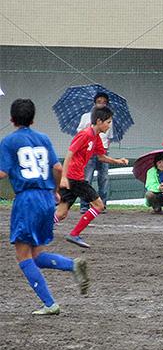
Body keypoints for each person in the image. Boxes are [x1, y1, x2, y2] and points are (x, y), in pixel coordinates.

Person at [0, 99, 89, 315]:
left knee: (23, 255)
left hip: (26, 200)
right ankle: (72, 265)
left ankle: (50, 304)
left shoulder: (9, 142)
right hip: (46, 199)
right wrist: (55, 191)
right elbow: (58, 168)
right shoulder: (43, 138)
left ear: (12, 119)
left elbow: (2, 173)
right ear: (33, 119)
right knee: (37, 253)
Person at [55, 106, 129, 249]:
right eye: (108, 122)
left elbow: (101, 157)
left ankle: (37, 230)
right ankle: (74, 234)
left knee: (61, 213)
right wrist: (63, 177)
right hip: (74, 178)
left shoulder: (96, 137)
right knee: (98, 205)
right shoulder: (85, 134)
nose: (109, 125)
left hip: (74, 177)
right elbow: (69, 153)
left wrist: (117, 161)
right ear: (99, 121)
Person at [77, 92, 113, 214]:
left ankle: (102, 205)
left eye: (104, 102)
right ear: (94, 103)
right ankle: (84, 205)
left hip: (103, 151)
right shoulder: (86, 117)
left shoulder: (109, 119)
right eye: (99, 101)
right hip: (89, 151)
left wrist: (106, 148)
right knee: (87, 178)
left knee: (104, 179)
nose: (101, 104)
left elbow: (110, 137)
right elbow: (79, 132)